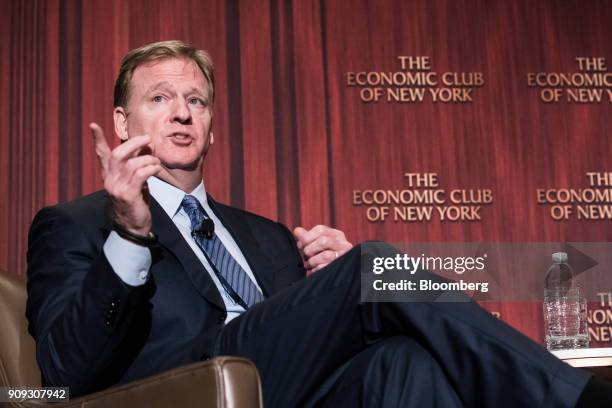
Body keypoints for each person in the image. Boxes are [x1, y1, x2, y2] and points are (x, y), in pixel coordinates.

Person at [26, 40, 608, 407]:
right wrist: (129, 236)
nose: (182, 111)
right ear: (123, 123)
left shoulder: (266, 235)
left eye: (197, 101)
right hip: (189, 387)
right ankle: (571, 398)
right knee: (374, 267)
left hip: (292, 388)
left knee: (402, 360)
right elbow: (62, 372)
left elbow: (305, 336)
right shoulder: (76, 224)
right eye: (160, 98)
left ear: (211, 126)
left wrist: (334, 291)